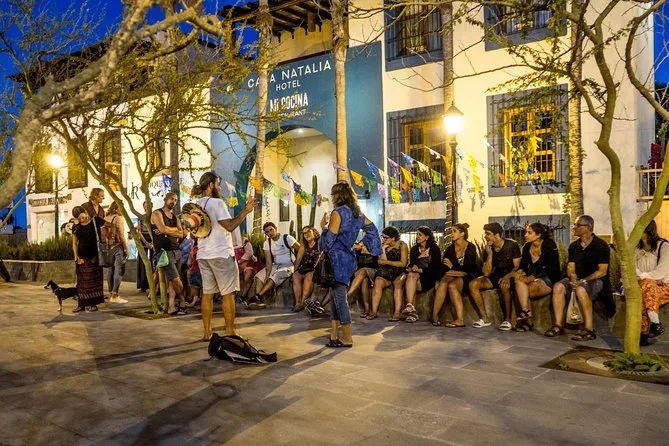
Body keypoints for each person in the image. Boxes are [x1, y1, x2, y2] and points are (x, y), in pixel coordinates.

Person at [192, 172, 254, 341]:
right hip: (221, 253)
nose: (219, 187)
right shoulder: (217, 203)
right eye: (218, 184)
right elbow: (229, 226)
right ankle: (230, 331)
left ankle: (207, 332)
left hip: (203, 254)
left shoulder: (197, 204)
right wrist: (245, 212)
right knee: (228, 293)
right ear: (211, 185)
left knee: (207, 294)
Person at [319, 181, 381, 347]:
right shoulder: (358, 213)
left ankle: (347, 337)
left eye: (333, 194)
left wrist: (323, 228)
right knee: (335, 296)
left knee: (340, 298)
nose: (332, 197)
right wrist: (361, 244)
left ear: (338, 195)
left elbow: (328, 242)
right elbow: (373, 230)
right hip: (349, 259)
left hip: (336, 260)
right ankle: (333, 335)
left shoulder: (338, 212)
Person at [544, 215, 610, 341]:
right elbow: (571, 267)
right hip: (578, 279)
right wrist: (574, 279)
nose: (574, 227)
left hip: (596, 280)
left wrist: (582, 281)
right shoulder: (574, 246)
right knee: (558, 287)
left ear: (588, 227)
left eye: (577, 225)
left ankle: (589, 329)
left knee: (581, 289)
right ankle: (558, 325)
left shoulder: (600, 245)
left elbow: (602, 271)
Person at [468, 222, 521, 330]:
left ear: (497, 235)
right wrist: (490, 255)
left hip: (509, 275)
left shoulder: (512, 245)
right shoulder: (488, 249)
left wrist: (507, 277)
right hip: (494, 277)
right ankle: (484, 318)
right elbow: (486, 273)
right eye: (485, 234)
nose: (485, 236)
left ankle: (507, 320)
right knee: (473, 284)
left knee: (504, 285)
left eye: (488, 234)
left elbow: (517, 267)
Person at [513, 223, 561, 331]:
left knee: (525, 291)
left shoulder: (549, 244)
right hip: (534, 275)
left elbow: (542, 263)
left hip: (548, 276)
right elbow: (523, 265)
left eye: (529, 233)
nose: (525, 235)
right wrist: (519, 273)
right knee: (518, 282)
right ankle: (526, 312)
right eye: (526, 232)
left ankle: (527, 320)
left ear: (538, 235)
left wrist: (531, 277)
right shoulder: (527, 246)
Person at [432, 223, 478, 327]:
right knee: (444, 281)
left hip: (467, 276)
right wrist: (437, 280)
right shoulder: (450, 249)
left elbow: (468, 268)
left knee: (451, 284)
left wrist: (452, 266)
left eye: (454, 231)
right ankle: (434, 316)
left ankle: (460, 320)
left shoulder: (471, 247)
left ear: (462, 234)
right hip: (453, 274)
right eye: (451, 231)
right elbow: (443, 267)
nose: (451, 234)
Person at [246, 222, 300, 310]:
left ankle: (258, 296)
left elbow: (300, 249)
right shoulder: (267, 243)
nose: (270, 233)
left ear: (276, 228)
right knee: (259, 276)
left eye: (271, 230)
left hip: (289, 265)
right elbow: (268, 260)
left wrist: (297, 264)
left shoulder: (286, 238)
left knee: (276, 275)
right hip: (276, 265)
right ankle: (259, 302)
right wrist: (267, 275)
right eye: (267, 232)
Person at [151, 192, 187, 315]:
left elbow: (181, 234)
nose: (173, 202)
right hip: (163, 252)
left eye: (176, 200)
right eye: (171, 199)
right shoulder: (157, 213)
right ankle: (182, 301)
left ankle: (171, 306)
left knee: (173, 281)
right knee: (176, 279)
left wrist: (167, 230)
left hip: (176, 250)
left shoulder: (175, 217)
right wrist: (172, 230)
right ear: (165, 199)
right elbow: (162, 229)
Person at [635, 220, 669, 345]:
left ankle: (643, 332)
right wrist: (642, 278)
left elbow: (660, 273)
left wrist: (642, 277)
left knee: (646, 288)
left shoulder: (664, 247)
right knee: (645, 290)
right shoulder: (636, 249)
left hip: (664, 286)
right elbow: (633, 269)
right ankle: (655, 324)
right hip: (645, 286)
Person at [367, 226, 409, 321]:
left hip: (399, 272)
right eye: (382, 237)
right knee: (378, 281)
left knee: (398, 283)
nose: (383, 239)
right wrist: (382, 250)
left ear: (393, 238)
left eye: (386, 237)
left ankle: (397, 313)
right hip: (386, 273)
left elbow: (403, 263)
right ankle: (374, 311)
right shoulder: (382, 246)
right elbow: (382, 263)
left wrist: (387, 262)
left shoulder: (402, 245)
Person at [402, 226, 443, 323]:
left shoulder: (434, 249)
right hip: (416, 277)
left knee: (411, 281)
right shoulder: (414, 249)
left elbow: (435, 267)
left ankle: (412, 312)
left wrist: (420, 270)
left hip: (429, 277)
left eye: (420, 235)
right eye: (417, 234)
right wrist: (411, 267)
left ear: (427, 237)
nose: (417, 237)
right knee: (411, 276)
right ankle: (410, 306)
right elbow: (411, 264)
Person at [71, 206, 106, 312]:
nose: (83, 219)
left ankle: (93, 304)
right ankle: (81, 304)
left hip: (95, 256)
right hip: (82, 257)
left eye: (83, 216)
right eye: (80, 218)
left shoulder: (96, 221)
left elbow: (109, 225)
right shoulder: (76, 226)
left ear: (86, 212)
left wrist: (108, 236)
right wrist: (76, 255)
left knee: (94, 281)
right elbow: (74, 243)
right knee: (82, 282)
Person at [347, 233, 379, 318]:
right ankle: (367, 308)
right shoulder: (358, 247)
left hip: (373, 271)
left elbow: (376, 263)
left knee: (363, 270)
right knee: (364, 280)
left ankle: (347, 295)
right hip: (361, 273)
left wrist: (366, 249)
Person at [104, 201, 129, 303]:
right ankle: (115, 295)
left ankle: (111, 293)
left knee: (111, 269)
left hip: (108, 247)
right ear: (117, 208)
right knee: (119, 270)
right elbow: (121, 236)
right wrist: (126, 248)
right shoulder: (118, 218)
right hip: (118, 246)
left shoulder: (106, 218)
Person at [291, 226, 320, 312]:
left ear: (314, 232)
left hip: (314, 269)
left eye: (308, 232)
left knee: (310, 275)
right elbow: (298, 259)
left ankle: (302, 302)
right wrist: (294, 271)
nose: (307, 234)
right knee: (295, 276)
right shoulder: (304, 245)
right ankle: (297, 303)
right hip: (304, 268)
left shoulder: (319, 243)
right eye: (304, 233)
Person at [135, 202, 153, 293]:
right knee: (142, 262)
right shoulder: (141, 217)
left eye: (148, 206)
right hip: (143, 239)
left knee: (154, 261)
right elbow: (139, 231)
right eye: (145, 207)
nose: (147, 208)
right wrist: (146, 242)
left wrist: (152, 242)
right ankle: (143, 285)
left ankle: (153, 284)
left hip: (153, 240)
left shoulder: (154, 216)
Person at [186, 240, 202, 308]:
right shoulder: (205, 248)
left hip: (195, 270)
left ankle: (194, 301)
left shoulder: (193, 249)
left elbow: (189, 263)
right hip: (203, 270)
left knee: (194, 287)